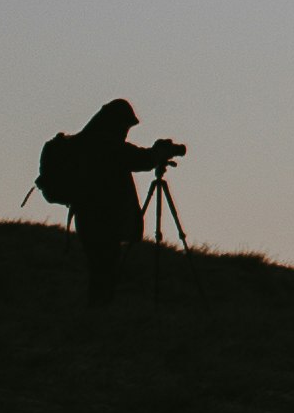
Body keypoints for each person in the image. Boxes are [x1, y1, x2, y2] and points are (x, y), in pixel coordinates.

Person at [36, 99, 185, 303]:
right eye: (125, 126)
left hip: (85, 218)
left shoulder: (85, 142)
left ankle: (97, 314)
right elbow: (142, 159)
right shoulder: (107, 145)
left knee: (99, 269)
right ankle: (98, 316)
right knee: (104, 271)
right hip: (104, 221)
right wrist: (158, 152)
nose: (126, 132)